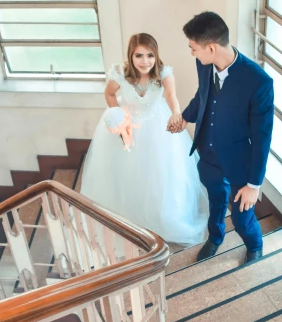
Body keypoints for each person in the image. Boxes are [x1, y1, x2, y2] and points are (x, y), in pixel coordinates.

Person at [81, 33, 208, 246]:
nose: (145, 61)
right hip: (129, 126)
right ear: (130, 56)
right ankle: (130, 217)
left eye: (149, 55)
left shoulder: (164, 73)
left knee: (160, 173)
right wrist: (118, 116)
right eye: (138, 55)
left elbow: (171, 96)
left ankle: (161, 218)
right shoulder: (120, 72)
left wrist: (176, 113)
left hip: (157, 126)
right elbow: (110, 94)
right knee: (126, 173)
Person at [168, 12, 274, 263]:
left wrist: (254, 185)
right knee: (215, 203)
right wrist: (185, 117)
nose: (192, 53)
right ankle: (215, 238)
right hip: (208, 154)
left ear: (212, 48)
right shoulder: (204, 64)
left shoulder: (259, 82)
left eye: (194, 48)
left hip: (240, 164)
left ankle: (254, 245)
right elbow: (202, 95)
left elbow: (263, 137)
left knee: (241, 217)